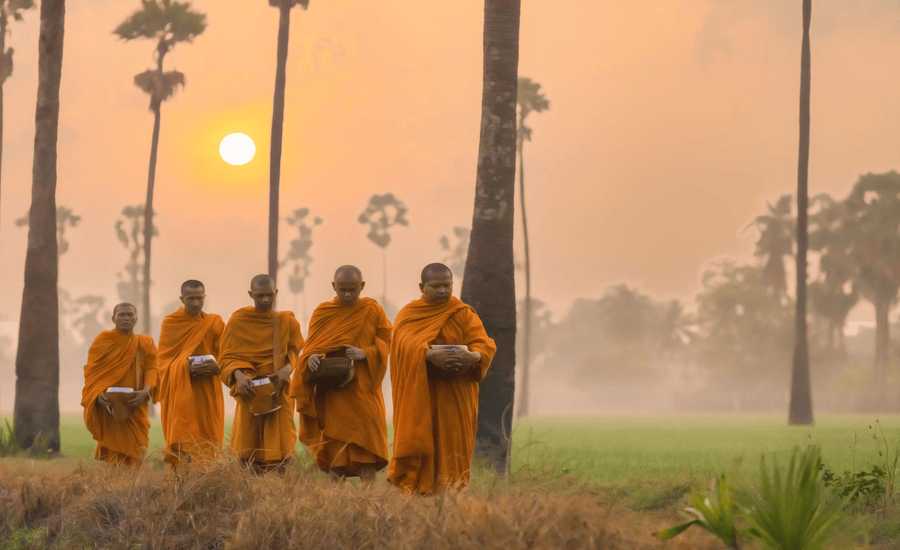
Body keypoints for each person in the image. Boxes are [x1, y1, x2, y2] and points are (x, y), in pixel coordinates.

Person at [387, 263, 497, 494]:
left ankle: (452, 501)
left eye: (447, 285)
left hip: (456, 396)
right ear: (421, 286)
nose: (442, 291)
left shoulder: (463, 313)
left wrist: (472, 355)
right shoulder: (409, 315)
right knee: (423, 446)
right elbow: (401, 344)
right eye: (435, 286)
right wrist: (427, 355)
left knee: (454, 449)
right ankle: (420, 500)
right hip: (423, 394)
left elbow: (483, 343)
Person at [290, 265, 392, 482]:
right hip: (334, 392)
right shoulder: (323, 312)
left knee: (368, 451)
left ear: (362, 286)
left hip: (364, 389)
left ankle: (370, 502)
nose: (347, 294)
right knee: (335, 452)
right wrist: (312, 358)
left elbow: (387, 341)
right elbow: (311, 347)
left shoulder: (373, 310)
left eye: (353, 289)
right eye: (342, 289)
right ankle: (335, 505)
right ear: (333, 287)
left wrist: (366, 353)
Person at [219, 274, 304, 472]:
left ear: (276, 293)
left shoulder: (286, 322)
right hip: (250, 393)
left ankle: (283, 495)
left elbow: (296, 352)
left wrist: (286, 369)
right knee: (248, 451)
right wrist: (238, 376)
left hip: (278, 391)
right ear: (251, 294)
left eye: (269, 295)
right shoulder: (238, 321)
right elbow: (225, 358)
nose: (265, 300)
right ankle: (252, 494)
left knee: (283, 448)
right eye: (259, 296)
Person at [157, 280, 226, 469]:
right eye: (190, 299)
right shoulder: (171, 323)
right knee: (183, 435)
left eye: (199, 298)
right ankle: (182, 483)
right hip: (181, 392)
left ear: (204, 297)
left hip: (208, 390)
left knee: (208, 434)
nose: (195, 303)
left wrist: (216, 366)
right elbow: (163, 361)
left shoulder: (215, 323)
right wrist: (186, 366)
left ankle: (207, 481)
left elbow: (226, 354)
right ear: (182, 299)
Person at [81, 302, 158, 468]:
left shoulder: (145, 343)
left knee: (138, 444)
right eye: (121, 315)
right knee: (114, 453)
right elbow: (92, 372)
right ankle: (115, 485)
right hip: (111, 406)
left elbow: (153, 367)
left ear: (136, 318)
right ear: (113, 318)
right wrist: (98, 394)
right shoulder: (103, 341)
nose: (126, 318)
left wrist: (146, 390)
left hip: (135, 404)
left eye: (130, 315)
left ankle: (131, 486)